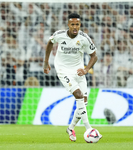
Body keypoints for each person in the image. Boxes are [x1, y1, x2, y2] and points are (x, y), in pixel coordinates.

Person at [43, 13, 102, 142]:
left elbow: (94, 56)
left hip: (79, 71)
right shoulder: (59, 35)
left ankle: (70, 128)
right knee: (79, 95)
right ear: (68, 25)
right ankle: (89, 129)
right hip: (63, 71)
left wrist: (86, 69)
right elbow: (49, 43)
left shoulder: (84, 38)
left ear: (80, 25)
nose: (75, 27)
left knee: (83, 103)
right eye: (73, 24)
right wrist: (46, 61)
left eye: (77, 24)